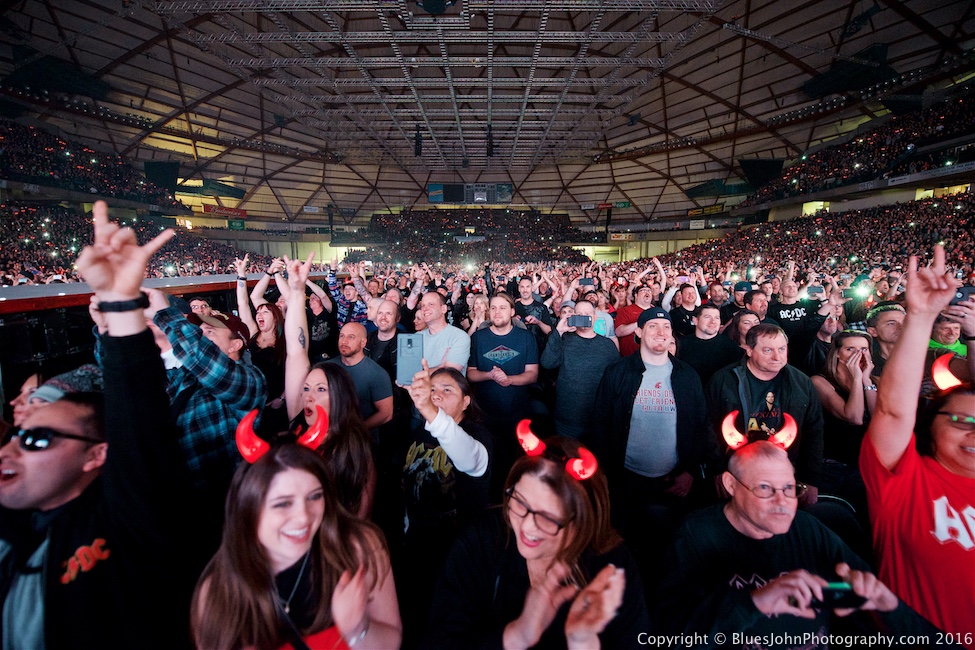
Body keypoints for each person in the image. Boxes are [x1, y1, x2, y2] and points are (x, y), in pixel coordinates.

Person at [0, 199, 203, 648]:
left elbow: (138, 419)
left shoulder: (125, 524)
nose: (9, 451)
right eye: (19, 436)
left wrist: (121, 306)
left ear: (97, 455)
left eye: (37, 439)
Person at [654, 441, 937, 648]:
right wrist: (756, 602)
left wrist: (885, 604)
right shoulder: (696, 536)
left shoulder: (809, 530)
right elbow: (669, 637)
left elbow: (862, 606)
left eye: (789, 488)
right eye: (764, 488)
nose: (782, 502)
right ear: (731, 485)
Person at [425, 434, 650, 649]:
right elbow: (438, 642)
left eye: (547, 517)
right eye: (520, 502)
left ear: (583, 522)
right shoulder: (482, 540)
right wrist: (516, 636)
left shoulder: (612, 568)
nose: (527, 526)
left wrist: (582, 643)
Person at [860, 244, 975, 648]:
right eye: (960, 421)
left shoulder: (944, 357)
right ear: (930, 428)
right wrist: (921, 316)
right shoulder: (906, 481)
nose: (973, 433)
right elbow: (892, 412)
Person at [190, 440, 402, 649]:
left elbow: (391, 641)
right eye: (283, 503)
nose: (303, 517)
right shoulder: (217, 593)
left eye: (314, 496)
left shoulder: (357, 547)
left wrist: (357, 628)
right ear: (249, 510)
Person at [588, 306, 713, 596]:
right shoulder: (617, 372)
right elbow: (600, 424)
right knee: (623, 545)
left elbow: (700, 426)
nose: (661, 332)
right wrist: (606, 475)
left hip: (673, 481)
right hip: (625, 479)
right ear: (639, 332)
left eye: (666, 327)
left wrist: (690, 471)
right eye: (653, 327)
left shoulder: (687, 375)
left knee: (667, 549)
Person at [397, 361, 492, 648]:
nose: (436, 394)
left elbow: (469, 458)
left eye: (447, 389)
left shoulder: (477, 435)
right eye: (432, 388)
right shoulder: (419, 433)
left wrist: (430, 410)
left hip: (456, 553)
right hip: (416, 545)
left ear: (466, 401)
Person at [284, 255, 377, 518]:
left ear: (339, 396)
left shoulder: (355, 447)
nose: (308, 397)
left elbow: (360, 517)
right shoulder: (298, 422)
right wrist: (296, 292)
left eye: (320, 389)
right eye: (306, 388)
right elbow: (296, 352)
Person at [707, 324, 824, 505]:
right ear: (749, 350)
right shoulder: (723, 380)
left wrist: (811, 478)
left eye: (782, 349)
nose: (777, 356)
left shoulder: (802, 382)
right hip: (737, 472)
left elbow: (814, 431)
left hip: (785, 472)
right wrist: (717, 470)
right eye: (768, 350)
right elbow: (708, 428)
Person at [811, 331, 876, 517]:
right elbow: (854, 417)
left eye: (863, 349)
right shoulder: (821, 381)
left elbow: (878, 416)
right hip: (833, 467)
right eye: (850, 349)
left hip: (863, 465)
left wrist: (866, 380)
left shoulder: (872, 382)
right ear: (838, 353)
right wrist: (856, 379)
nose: (858, 354)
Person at [540, 300, 619, 439]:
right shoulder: (563, 339)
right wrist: (559, 331)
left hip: (597, 419)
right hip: (566, 418)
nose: (584, 317)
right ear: (573, 317)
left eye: (587, 314)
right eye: (579, 314)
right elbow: (547, 363)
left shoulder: (608, 345)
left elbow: (615, 381)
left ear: (595, 317)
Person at [676, 304, 741, 386]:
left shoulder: (731, 346)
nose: (713, 321)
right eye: (707, 317)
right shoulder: (680, 345)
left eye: (717, 318)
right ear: (695, 321)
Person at [418, 291, 471, 374]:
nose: (425, 309)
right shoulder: (416, 337)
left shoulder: (459, 337)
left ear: (443, 309)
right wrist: (441, 367)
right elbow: (407, 374)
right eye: (423, 305)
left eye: (431, 304)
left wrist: (421, 373)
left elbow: (449, 374)